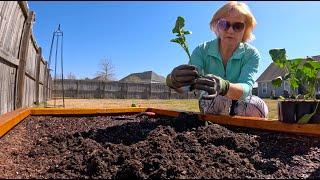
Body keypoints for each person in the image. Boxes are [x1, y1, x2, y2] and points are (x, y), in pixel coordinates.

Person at [166, 1, 269, 118]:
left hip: (241, 102)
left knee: (257, 108)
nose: (230, 30)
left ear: (246, 29)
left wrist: (225, 87)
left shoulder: (251, 54)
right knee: (215, 101)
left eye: (237, 26)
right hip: (213, 101)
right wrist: (173, 80)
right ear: (216, 26)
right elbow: (188, 86)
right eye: (224, 24)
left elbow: (246, 88)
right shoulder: (202, 50)